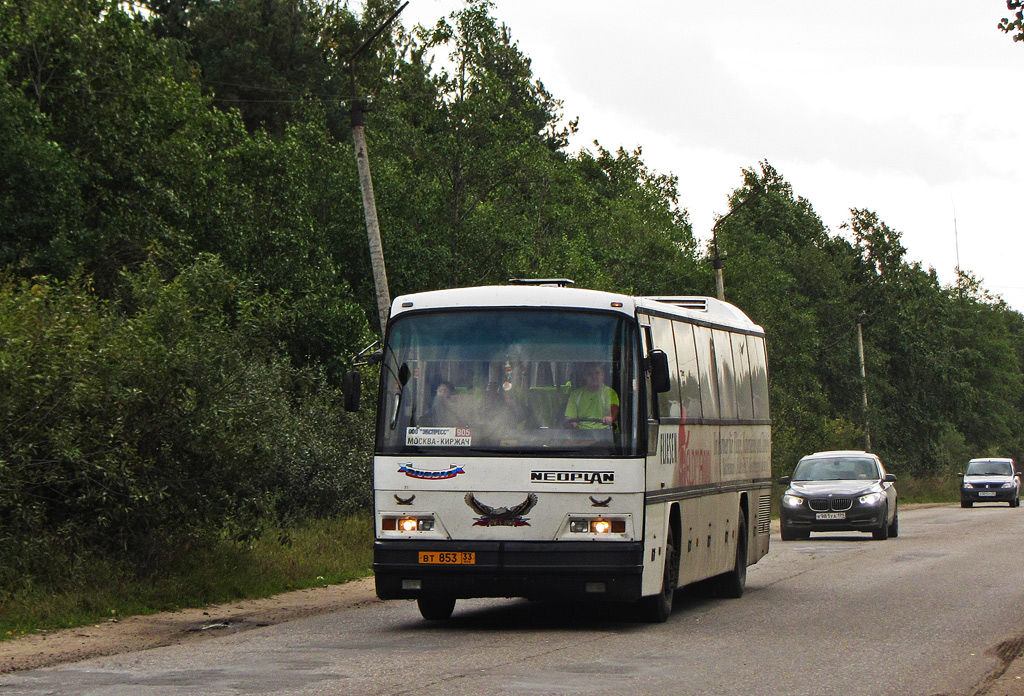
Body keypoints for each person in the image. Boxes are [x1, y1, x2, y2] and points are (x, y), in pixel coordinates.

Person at [564, 363, 619, 429]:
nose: (594, 377)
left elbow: (613, 411)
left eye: (597, 373)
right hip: (581, 434)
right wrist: (571, 424)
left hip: (605, 434)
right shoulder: (576, 395)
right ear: (584, 376)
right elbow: (570, 417)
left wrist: (610, 418)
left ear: (602, 375)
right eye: (590, 374)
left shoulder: (609, 393)